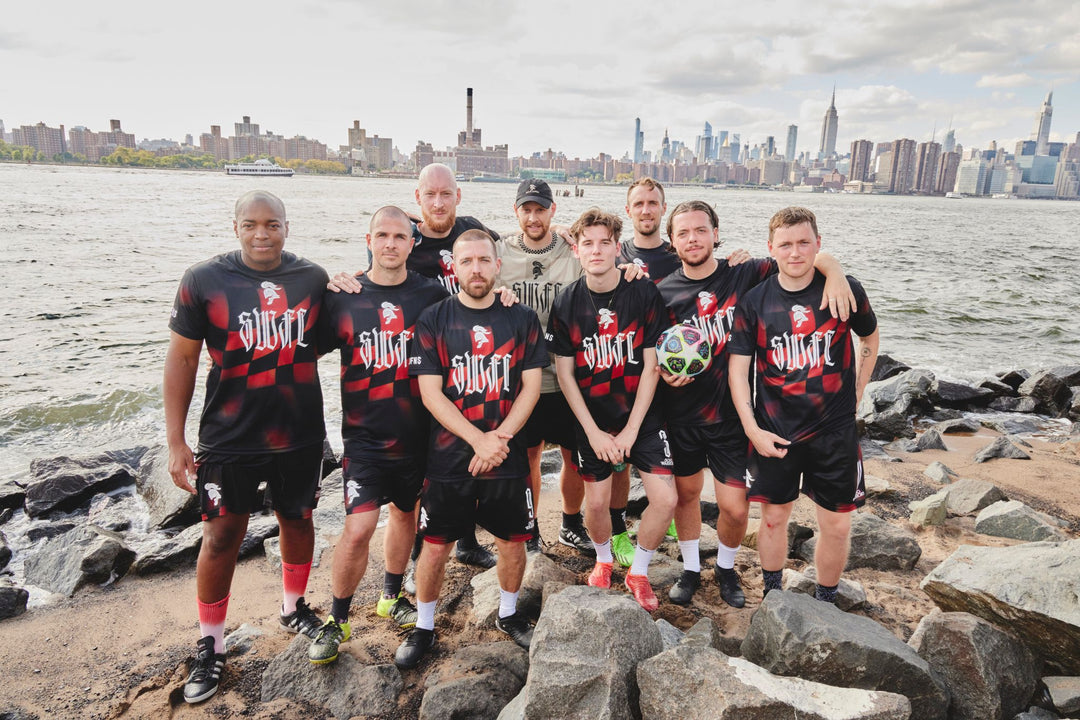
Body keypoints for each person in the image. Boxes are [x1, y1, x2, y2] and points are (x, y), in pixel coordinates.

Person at [165, 191, 329, 703]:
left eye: (273, 224)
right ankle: (210, 644)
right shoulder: (204, 280)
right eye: (252, 224)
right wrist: (176, 441)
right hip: (229, 436)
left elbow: (352, 327)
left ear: (287, 225)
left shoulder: (313, 280)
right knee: (220, 537)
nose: (263, 234)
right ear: (234, 226)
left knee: (298, 520)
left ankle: (293, 607)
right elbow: (184, 361)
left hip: (299, 432)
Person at [656, 201, 855, 607]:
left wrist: (835, 273)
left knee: (732, 507)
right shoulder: (662, 292)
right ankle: (692, 569)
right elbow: (650, 349)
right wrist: (663, 373)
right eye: (683, 233)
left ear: (715, 232)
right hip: (682, 415)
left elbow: (801, 255)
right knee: (687, 495)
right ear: (672, 241)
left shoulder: (745, 273)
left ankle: (726, 569)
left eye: (700, 230)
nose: (692, 239)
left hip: (732, 418)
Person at [394, 230, 548, 669]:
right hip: (448, 459)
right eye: (467, 261)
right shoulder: (435, 319)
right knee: (436, 546)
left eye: (484, 260)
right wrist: (476, 439)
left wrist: (497, 439)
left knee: (513, 541)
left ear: (498, 265)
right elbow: (431, 393)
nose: (476, 269)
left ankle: (508, 614)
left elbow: (532, 387)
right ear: (454, 267)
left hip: (506, 458)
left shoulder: (521, 320)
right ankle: (424, 626)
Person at [307, 206, 451, 665]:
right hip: (364, 438)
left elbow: (471, 317)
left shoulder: (430, 295)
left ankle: (391, 596)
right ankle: (337, 617)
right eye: (382, 235)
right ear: (368, 240)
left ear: (413, 244)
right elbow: (299, 346)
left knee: (405, 515)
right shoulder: (343, 296)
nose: (390, 244)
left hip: (417, 435)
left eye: (400, 236)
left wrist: (503, 295)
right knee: (359, 527)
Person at [728, 206, 879, 605]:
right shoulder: (755, 302)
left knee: (837, 525)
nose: (795, 253)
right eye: (786, 245)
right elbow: (738, 372)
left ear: (818, 244)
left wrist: (859, 391)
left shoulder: (844, 291)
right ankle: (773, 595)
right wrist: (751, 428)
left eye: (803, 243)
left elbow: (870, 340)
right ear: (771, 249)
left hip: (835, 431)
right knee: (775, 518)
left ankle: (826, 598)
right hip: (776, 429)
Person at [547, 208, 676, 612]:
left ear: (617, 247)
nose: (597, 250)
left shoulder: (643, 292)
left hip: (642, 414)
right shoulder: (567, 301)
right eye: (588, 243)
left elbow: (653, 364)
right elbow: (564, 375)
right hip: (593, 418)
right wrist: (594, 433)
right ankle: (604, 560)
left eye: (605, 242)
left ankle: (638, 570)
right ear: (578, 250)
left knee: (666, 500)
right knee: (598, 503)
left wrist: (632, 431)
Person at [498, 178, 592, 556]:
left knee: (573, 456)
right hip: (524, 380)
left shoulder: (573, 250)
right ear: (517, 212)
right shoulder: (499, 249)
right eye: (527, 209)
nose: (534, 217)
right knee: (531, 456)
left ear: (553, 210)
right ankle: (531, 528)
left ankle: (571, 524)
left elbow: (606, 266)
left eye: (541, 209)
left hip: (569, 375)